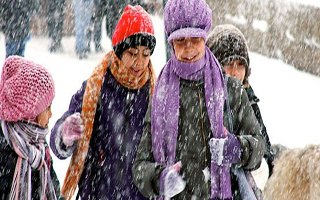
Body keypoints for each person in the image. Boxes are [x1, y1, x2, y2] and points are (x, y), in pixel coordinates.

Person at [132, 0, 265, 199]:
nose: (188, 49)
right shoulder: (161, 93)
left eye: (195, 39)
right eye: (180, 41)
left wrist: (237, 148)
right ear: (171, 42)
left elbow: (259, 147)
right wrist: (160, 178)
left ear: (205, 37)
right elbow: (140, 165)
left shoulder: (231, 89)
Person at [50, 5, 156, 200]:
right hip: (99, 190)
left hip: (140, 194)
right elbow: (59, 143)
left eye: (146, 53)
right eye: (132, 53)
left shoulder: (155, 91)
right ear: (118, 51)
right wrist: (64, 134)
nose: (140, 62)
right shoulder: (96, 87)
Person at [206, 24, 274, 177]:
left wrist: (240, 150)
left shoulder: (249, 100)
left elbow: (265, 153)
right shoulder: (204, 99)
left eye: (240, 65)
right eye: (229, 64)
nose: (235, 72)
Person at [0, 56, 60, 199]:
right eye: (47, 108)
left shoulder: (38, 143)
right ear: (30, 113)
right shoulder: (5, 150)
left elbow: (51, 183)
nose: (51, 114)